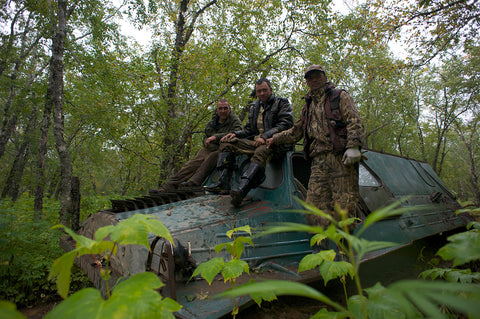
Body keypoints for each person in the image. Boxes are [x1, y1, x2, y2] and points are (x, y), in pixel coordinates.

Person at [266, 65, 364, 229]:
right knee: (314, 206)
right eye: (310, 78)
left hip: (340, 159)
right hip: (318, 162)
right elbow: (295, 132)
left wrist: (353, 146)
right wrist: (273, 139)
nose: (314, 80)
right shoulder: (307, 107)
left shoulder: (339, 96)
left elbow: (354, 121)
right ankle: (321, 247)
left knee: (344, 206)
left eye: (317, 76)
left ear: (325, 77)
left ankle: (346, 249)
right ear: (307, 82)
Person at [206, 78, 294, 207]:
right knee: (226, 143)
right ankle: (224, 184)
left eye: (264, 90)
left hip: (275, 143)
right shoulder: (255, 106)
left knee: (261, 151)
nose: (262, 93)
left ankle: (241, 190)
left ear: (271, 90)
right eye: (259, 91)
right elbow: (249, 130)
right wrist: (235, 134)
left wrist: (265, 136)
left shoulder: (282, 103)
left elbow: (285, 124)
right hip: (255, 142)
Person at [151, 99, 242, 193]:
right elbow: (206, 134)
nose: (223, 111)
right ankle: (168, 187)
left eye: (225, 108)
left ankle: (193, 183)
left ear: (229, 109)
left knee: (211, 158)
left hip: (224, 150)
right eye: (220, 108)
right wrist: (207, 142)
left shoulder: (234, 120)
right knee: (191, 164)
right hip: (210, 148)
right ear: (217, 110)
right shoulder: (213, 121)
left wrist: (216, 137)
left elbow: (237, 132)